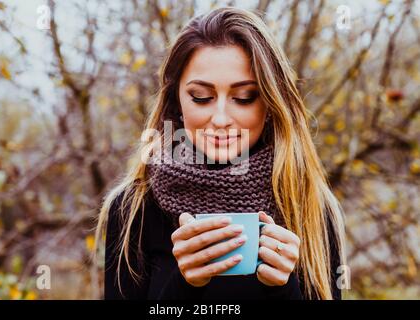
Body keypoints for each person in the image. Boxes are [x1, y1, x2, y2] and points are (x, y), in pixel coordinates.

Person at [96, 7, 346, 300]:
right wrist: (185, 286)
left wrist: (284, 290)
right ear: (176, 99)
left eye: (244, 98)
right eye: (201, 97)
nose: (221, 118)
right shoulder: (132, 208)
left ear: (269, 104)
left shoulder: (311, 204)